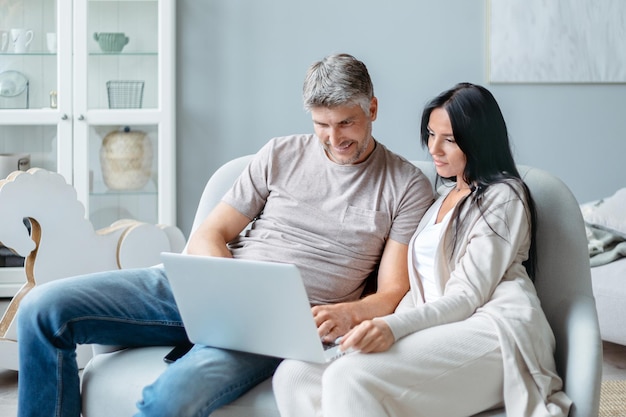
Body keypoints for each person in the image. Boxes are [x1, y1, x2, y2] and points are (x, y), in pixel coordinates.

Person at [15, 53, 434, 417]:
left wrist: (348, 313)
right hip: (204, 286)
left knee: (169, 402)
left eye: (347, 123)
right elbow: (211, 232)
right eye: (322, 124)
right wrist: (230, 290)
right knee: (41, 308)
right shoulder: (280, 153)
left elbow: (393, 291)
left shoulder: (405, 184)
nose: (334, 138)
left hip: (276, 322)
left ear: (373, 109)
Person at [272, 82, 573, 417]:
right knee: (295, 375)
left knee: (350, 377)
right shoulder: (441, 200)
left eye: (450, 139)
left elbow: (466, 297)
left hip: (493, 332)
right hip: (439, 328)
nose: (435, 149)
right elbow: (421, 288)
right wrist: (374, 327)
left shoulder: (504, 197)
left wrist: (391, 328)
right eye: (431, 134)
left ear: (480, 140)